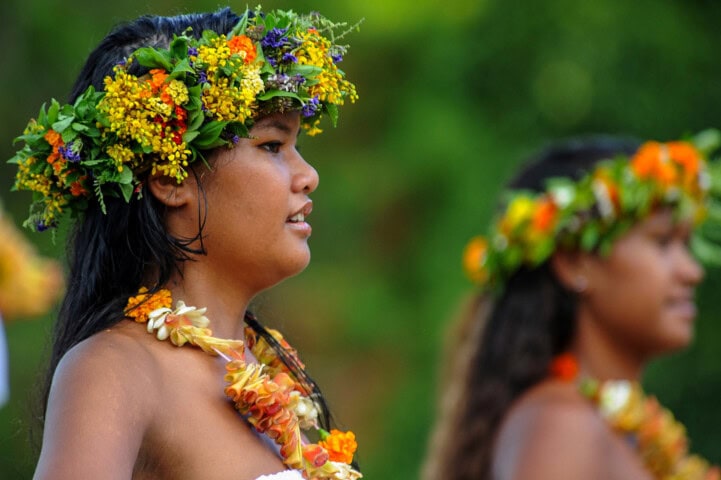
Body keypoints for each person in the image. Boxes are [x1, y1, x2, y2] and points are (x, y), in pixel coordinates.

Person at [9, 7, 362, 480]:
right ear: (169, 177)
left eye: (296, 146)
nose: (309, 176)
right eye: (272, 146)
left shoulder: (272, 374)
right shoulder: (115, 370)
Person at [422, 134, 721, 480]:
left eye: (686, 245)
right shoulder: (563, 424)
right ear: (576, 262)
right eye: (663, 242)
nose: (692, 271)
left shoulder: (612, 431)